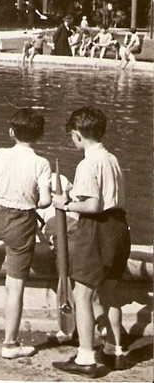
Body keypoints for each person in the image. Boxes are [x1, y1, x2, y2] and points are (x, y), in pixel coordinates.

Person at [51, 107, 132, 376]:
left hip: (98, 229)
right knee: (109, 293)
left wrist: (66, 203)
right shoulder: (112, 159)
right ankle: (114, 350)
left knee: (82, 293)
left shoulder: (87, 163)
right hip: (119, 228)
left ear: (76, 135)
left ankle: (86, 357)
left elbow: (94, 205)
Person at [0, 108, 52, 360]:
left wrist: (4, 186)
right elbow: (44, 202)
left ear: (11, 132)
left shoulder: (0, 153)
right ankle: (10, 344)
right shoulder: (41, 163)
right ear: (39, 136)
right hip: (20, 225)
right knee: (15, 287)